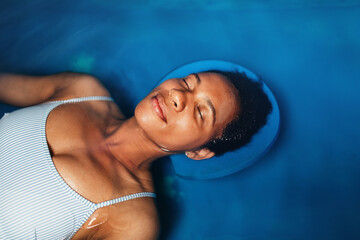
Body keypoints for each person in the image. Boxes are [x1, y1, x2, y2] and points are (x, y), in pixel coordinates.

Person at [0, 70, 271, 239]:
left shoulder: (133, 221)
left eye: (200, 112)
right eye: (188, 83)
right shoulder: (82, 90)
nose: (178, 95)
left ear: (198, 152)